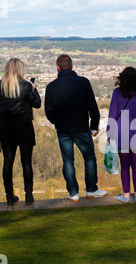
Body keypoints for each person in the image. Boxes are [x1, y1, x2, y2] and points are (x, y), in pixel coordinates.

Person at [44, 54, 107, 202]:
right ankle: (91, 190)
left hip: (63, 129)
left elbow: (49, 112)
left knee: (68, 161)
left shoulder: (51, 87)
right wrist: (94, 126)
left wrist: (57, 122)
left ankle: (73, 193)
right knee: (89, 158)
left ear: (57, 68)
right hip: (81, 128)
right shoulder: (83, 82)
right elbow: (93, 106)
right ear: (72, 67)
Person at [0, 58, 41, 206]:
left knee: (8, 163)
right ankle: (29, 196)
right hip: (25, 129)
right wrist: (34, 88)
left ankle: (9, 197)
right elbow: (37, 104)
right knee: (26, 162)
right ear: (20, 70)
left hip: (7, 130)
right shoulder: (26, 86)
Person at [106, 67, 136, 203]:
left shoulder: (116, 93)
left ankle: (125, 195)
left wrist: (109, 132)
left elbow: (112, 113)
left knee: (124, 165)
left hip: (121, 131)